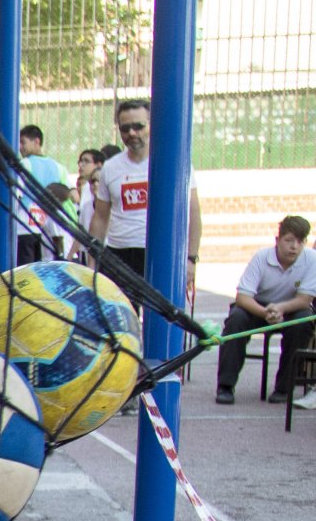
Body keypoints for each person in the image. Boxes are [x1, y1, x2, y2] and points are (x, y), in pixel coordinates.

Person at [90, 99, 203, 289]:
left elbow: (193, 212)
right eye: (125, 128)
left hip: (162, 252)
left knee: (162, 315)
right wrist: (93, 261)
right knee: (120, 317)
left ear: (151, 125)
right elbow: (100, 217)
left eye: (138, 126)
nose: (132, 133)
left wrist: (191, 258)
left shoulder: (174, 162)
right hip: (120, 254)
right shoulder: (110, 167)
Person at [214, 216, 316, 405]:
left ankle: (284, 388)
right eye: (289, 240)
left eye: (300, 241)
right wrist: (264, 312)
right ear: (277, 241)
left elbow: (304, 300)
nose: (294, 246)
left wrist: (281, 309)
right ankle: (226, 386)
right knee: (236, 318)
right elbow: (242, 297)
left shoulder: (311, 259)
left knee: (303, 321)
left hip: (290, 308)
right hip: (258, 307)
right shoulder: (262, 257)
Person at [16, 124, 68, 266]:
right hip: (48, 231)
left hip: (23, 228)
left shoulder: (24, 164)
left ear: (37, 141)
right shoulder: (58, 167)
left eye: (23, 142)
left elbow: (16, 195)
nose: (20, 147)